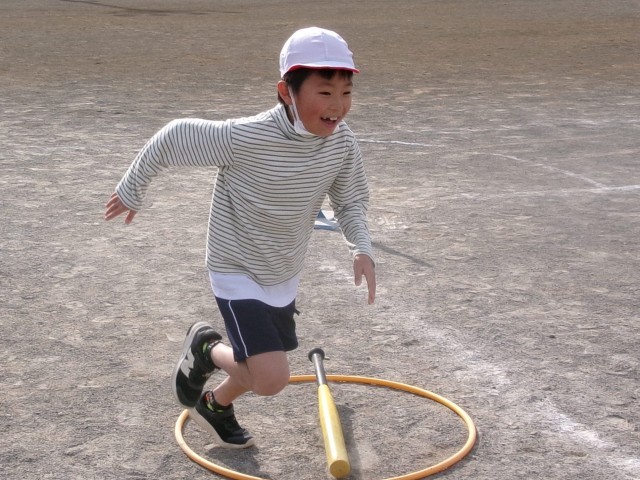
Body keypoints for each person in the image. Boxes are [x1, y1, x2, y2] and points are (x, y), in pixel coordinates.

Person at [104, 27, 376, 448]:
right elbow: (173, 136)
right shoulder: (246, 137)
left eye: (346, 92)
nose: (337, 105)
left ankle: (215, 405)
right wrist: (131, 189)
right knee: (271, 377)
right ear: (286, 92)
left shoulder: (342, 144)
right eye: (324, 92)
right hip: (235, 268)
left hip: (282, 271)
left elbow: (351, 201)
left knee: (256, 363)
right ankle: (206, 348)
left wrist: (361, 247)